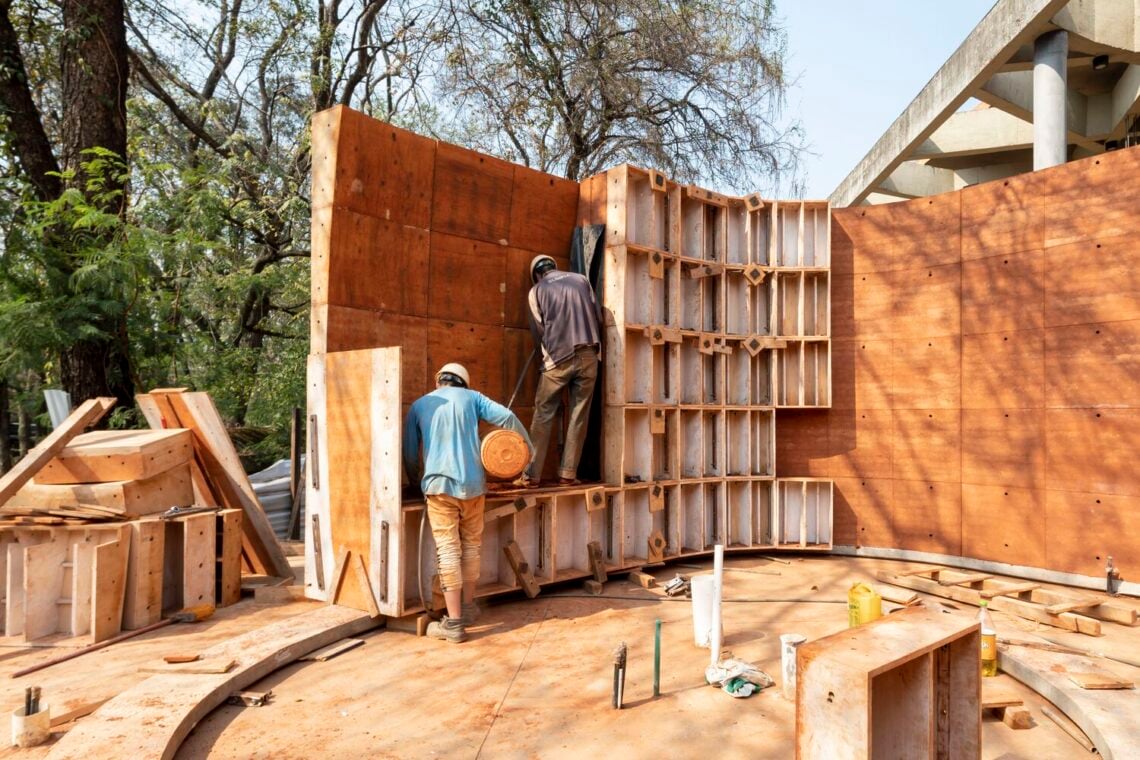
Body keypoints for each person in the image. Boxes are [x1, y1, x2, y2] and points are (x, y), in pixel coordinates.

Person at [403, 362, 533, 643]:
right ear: (464, 382)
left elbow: (411, 454)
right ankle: (469, 607)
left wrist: (416, 482)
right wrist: (527, 451)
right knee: (471, 547)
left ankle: (454, 624)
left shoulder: (419, 405)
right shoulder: (473, 398)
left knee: (448, 551)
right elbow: (508, 417)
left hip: (439, 487)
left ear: (440, 381)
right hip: (474, 487)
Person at [517, 254, 602, 487]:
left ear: (536, 274)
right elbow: (597, 316)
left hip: (557, 360)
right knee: (578, 415)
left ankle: (531, 475)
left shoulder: (536, 291)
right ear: (554, 266)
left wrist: (545, 361)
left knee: (543, 414)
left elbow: (539, 331)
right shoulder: (582, 280)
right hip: (588, 353)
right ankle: (567, 474)